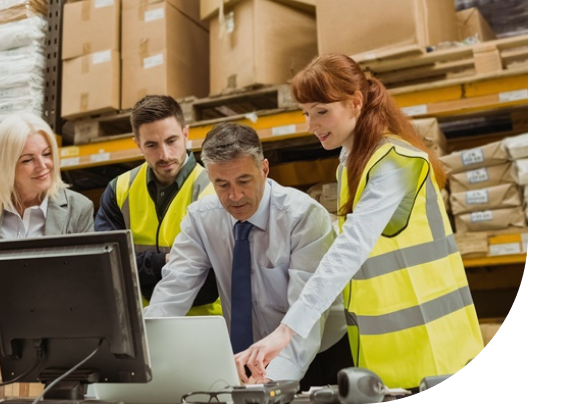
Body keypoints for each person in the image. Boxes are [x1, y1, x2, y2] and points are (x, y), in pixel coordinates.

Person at [234, 53, 484, 390]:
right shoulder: (352, 164)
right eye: (306, 113)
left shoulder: (393, 163)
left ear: (355, 103)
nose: (312, 124)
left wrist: (286, 331)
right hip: (387, 354)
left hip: (434, 349)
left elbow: (350, 249)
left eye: (322, 111)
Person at [143, 121, 349, 385]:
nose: (235, 196)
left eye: (243, 180)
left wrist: (267, 385)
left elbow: (305, 319)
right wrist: (138, 355)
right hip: (243, 358)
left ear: (264, 169)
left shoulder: (303, 217)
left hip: (315, 355)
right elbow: (172, 291)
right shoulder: (202, 218)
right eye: (222, 184)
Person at [94, 95, 221, 316]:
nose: (164, 155)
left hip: (204, 324)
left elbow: (210, 274)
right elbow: (106, 265)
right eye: (152, 145)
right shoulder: (119, 190)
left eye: (171, 141)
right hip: (141, 325)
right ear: (137, 144)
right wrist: (166, 261)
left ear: (186, 134)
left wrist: (140, 265)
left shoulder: (215, 189)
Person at [0, 111, 95, 281]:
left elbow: (88, 280)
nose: (43, 166)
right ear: (6, 167)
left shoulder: (78, 208)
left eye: (47, 154)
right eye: (28, 160)